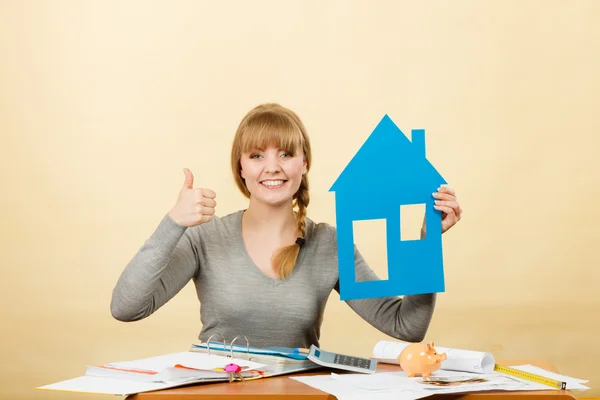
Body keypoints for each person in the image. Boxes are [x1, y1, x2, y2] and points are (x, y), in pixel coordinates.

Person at [110, 103, 463, 349]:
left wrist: (427, 242)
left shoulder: (328, 244)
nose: (272, 167)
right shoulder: (205, 238)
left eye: (286, 154)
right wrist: (173, 223)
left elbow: (407, 326)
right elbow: (127, 308)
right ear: (241, 168)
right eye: (257, 156)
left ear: (304, 163)